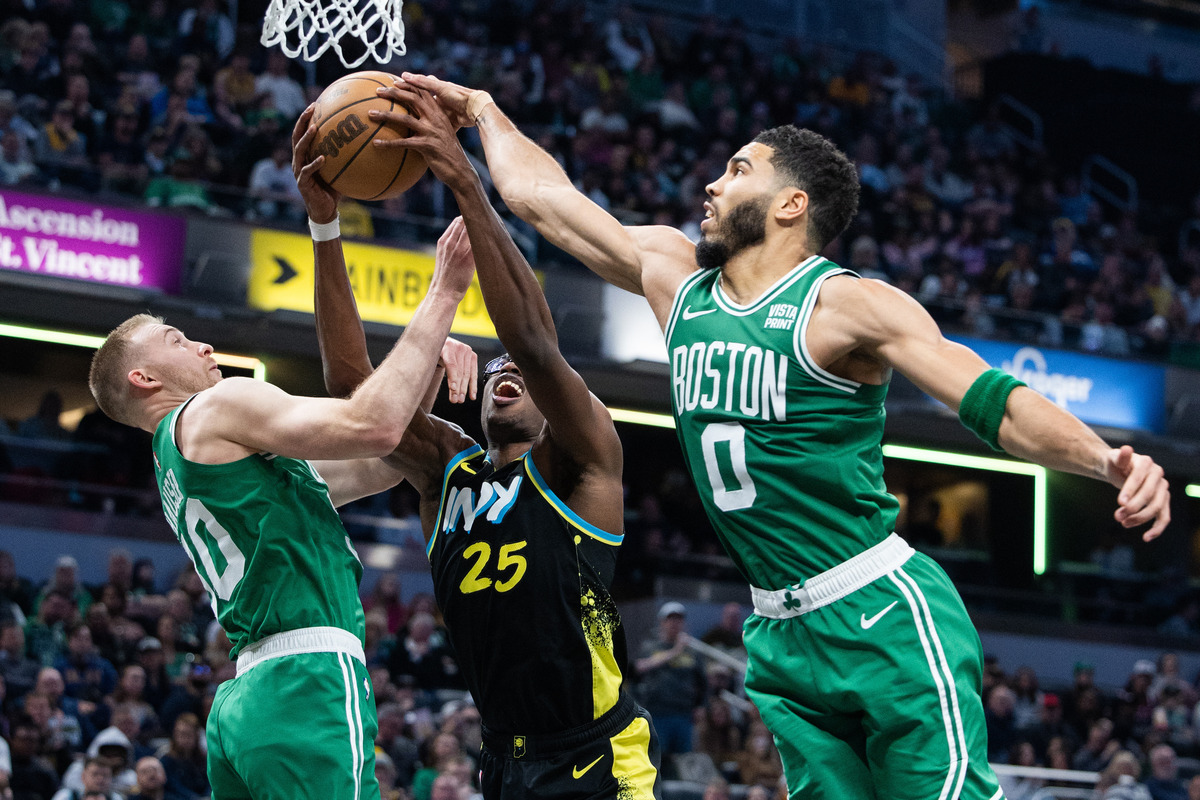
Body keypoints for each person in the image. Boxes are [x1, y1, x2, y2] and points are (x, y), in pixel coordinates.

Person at [390, 72, 1173, 800]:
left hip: (878, 611)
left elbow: (992, 399)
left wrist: (1106, 461)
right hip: (778, 630)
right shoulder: (675, 278)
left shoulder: (845, 307)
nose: (712, 182)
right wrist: (483, 110)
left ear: (791, 204)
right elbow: (541, 196)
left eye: (737, 169)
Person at [85, 131, 477, 800]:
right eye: (180, 340)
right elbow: (372, 420)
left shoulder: (190, 466)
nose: (203, 344)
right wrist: (444, 293)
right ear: (145, 377)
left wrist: (425, 365)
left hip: (245, 703)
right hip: (308, 684)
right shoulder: (218, 407)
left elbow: (380, 456)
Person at [298, 84, 661, 800]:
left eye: (520, 375)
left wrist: (464, 179)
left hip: (597, 758)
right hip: (502, 759)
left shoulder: (580, 463)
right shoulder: (448, 473)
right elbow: (352, 388)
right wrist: (324, 225)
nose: (506, 371)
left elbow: (529, 339)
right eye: (493, 369)